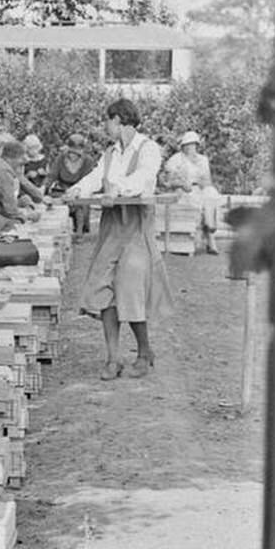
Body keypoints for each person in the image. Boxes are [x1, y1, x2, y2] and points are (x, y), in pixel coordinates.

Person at [64, 98, 169, 380]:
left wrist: (117, 187)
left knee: (130, 287)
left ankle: (145, 352)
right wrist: (77, 190)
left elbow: (144, 180)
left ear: (119, 120)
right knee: (102, 289)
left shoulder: (148, 149)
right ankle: (113, 358)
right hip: (112, 228)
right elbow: (97, 176)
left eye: (108, 121)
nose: (106, 127)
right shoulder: (111, 152)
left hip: (136, 227)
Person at [161, 130, 224, 254]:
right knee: (203, 200)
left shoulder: (202, 160)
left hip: (201, 189)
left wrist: (203, 182)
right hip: (184, 192)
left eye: (194, 144)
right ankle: (211, 236)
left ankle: (210, 225)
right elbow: (167, 181)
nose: (191, 147)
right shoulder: (176, 159)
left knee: (211, 193)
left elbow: (208, 180)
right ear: (183, 146)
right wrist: (181, 184)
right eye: (188, 144)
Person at [47, 130, 95, 234]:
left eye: (76, 153)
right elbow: (52, 176)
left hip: (80, 191)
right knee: (51, 202)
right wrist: (44, 188)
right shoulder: (60, 158)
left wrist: (75, 192)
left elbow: (87, 181)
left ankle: (80, 231)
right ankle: (57, 231)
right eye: (71, 152)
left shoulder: (88, 161)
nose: (73, 155)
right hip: (62, 190)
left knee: (81, 205)